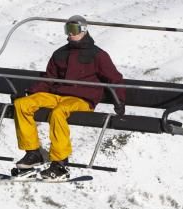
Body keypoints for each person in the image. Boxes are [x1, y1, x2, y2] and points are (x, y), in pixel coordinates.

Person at [13, 15, 126, 180]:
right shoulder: (60, 53)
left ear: (84, 30)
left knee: (58, 113)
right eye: (68, 30)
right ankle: (33, 153)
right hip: (57, 95)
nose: (70, 34)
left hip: (82, 99)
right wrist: (29, 93)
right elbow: (49, 78)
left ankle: (60, 163)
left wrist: (119, 101)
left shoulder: (97, 55)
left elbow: (114, 79)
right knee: (22, 104)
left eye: (74, 30)